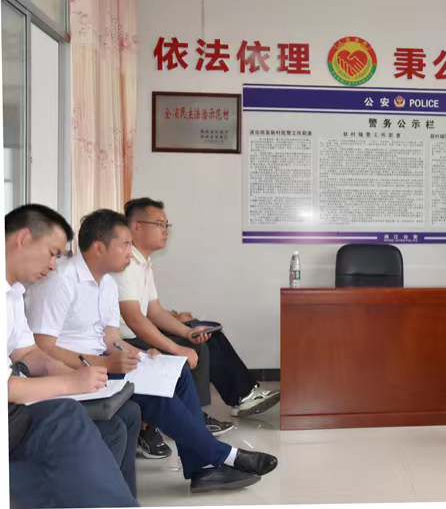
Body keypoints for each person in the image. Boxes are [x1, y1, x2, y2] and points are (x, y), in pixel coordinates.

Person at [26, 209, 279, 493]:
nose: (129, 251)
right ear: (98, 247)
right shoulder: (61, 281)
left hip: (103, 364)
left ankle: (203, 468)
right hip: (73, 372)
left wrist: (142, 355)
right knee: (155, 392)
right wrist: (108, 363)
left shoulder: (106, 283)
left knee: (176, 370)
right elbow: (43, 348)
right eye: (124, 244)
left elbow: (111, 340)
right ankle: (223, 457)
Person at [114, 197, 279, 454]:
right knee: (194, 348)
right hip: (126, 340)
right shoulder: (125, 264)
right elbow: (135, 320)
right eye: (159, 224)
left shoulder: (143, 263)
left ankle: (232, 399)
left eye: (167, 225)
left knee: (202, 334)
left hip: (138, 332)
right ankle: (194, 417)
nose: (165, 230)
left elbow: (155, 311)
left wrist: (188, 332)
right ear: (136, 226)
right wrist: (177, 346)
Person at [6, 204, 138, 508]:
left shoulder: (12, 293)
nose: (53, 265)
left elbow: (28, 351)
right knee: (66, 416)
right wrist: (72, 383)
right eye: (52, 253)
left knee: (112, 428)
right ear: (23, 239)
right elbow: (8, 386)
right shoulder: (57, 282)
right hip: (10, 414)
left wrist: (71, 374)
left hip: (15, 411)